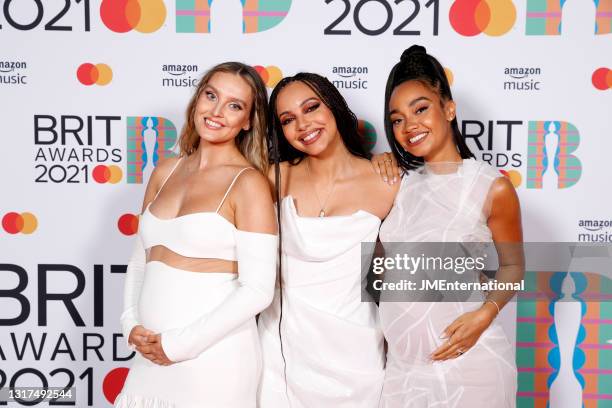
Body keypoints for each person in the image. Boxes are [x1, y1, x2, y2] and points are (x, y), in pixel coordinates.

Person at [115, 62, 278, 407]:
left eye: (234, 105)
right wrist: (130, 323)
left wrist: (178, 346)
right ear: (197, 99)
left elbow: (258, 290)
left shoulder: (248, 183)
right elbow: (140, 260)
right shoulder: (164, 171)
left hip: (212, 362)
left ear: (248, 120)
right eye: (211, 95)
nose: (217, 112)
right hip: (149, 354)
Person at [372, 45, 523, 407]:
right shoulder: (396, 182)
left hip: (470, 368)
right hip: (402, 374)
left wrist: (484, 315)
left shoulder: (491, 186)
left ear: (449, 109)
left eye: (420, 109)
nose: (409, 126)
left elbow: (514, 267)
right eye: (397, 119)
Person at [257, 73, 398, 407]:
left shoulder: (389, 181)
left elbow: (410, 272)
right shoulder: (270, 178)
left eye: (311, 108)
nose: (303, 124)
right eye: (288, 119)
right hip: (279, 359)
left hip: (356, 358)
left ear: (334, 106)